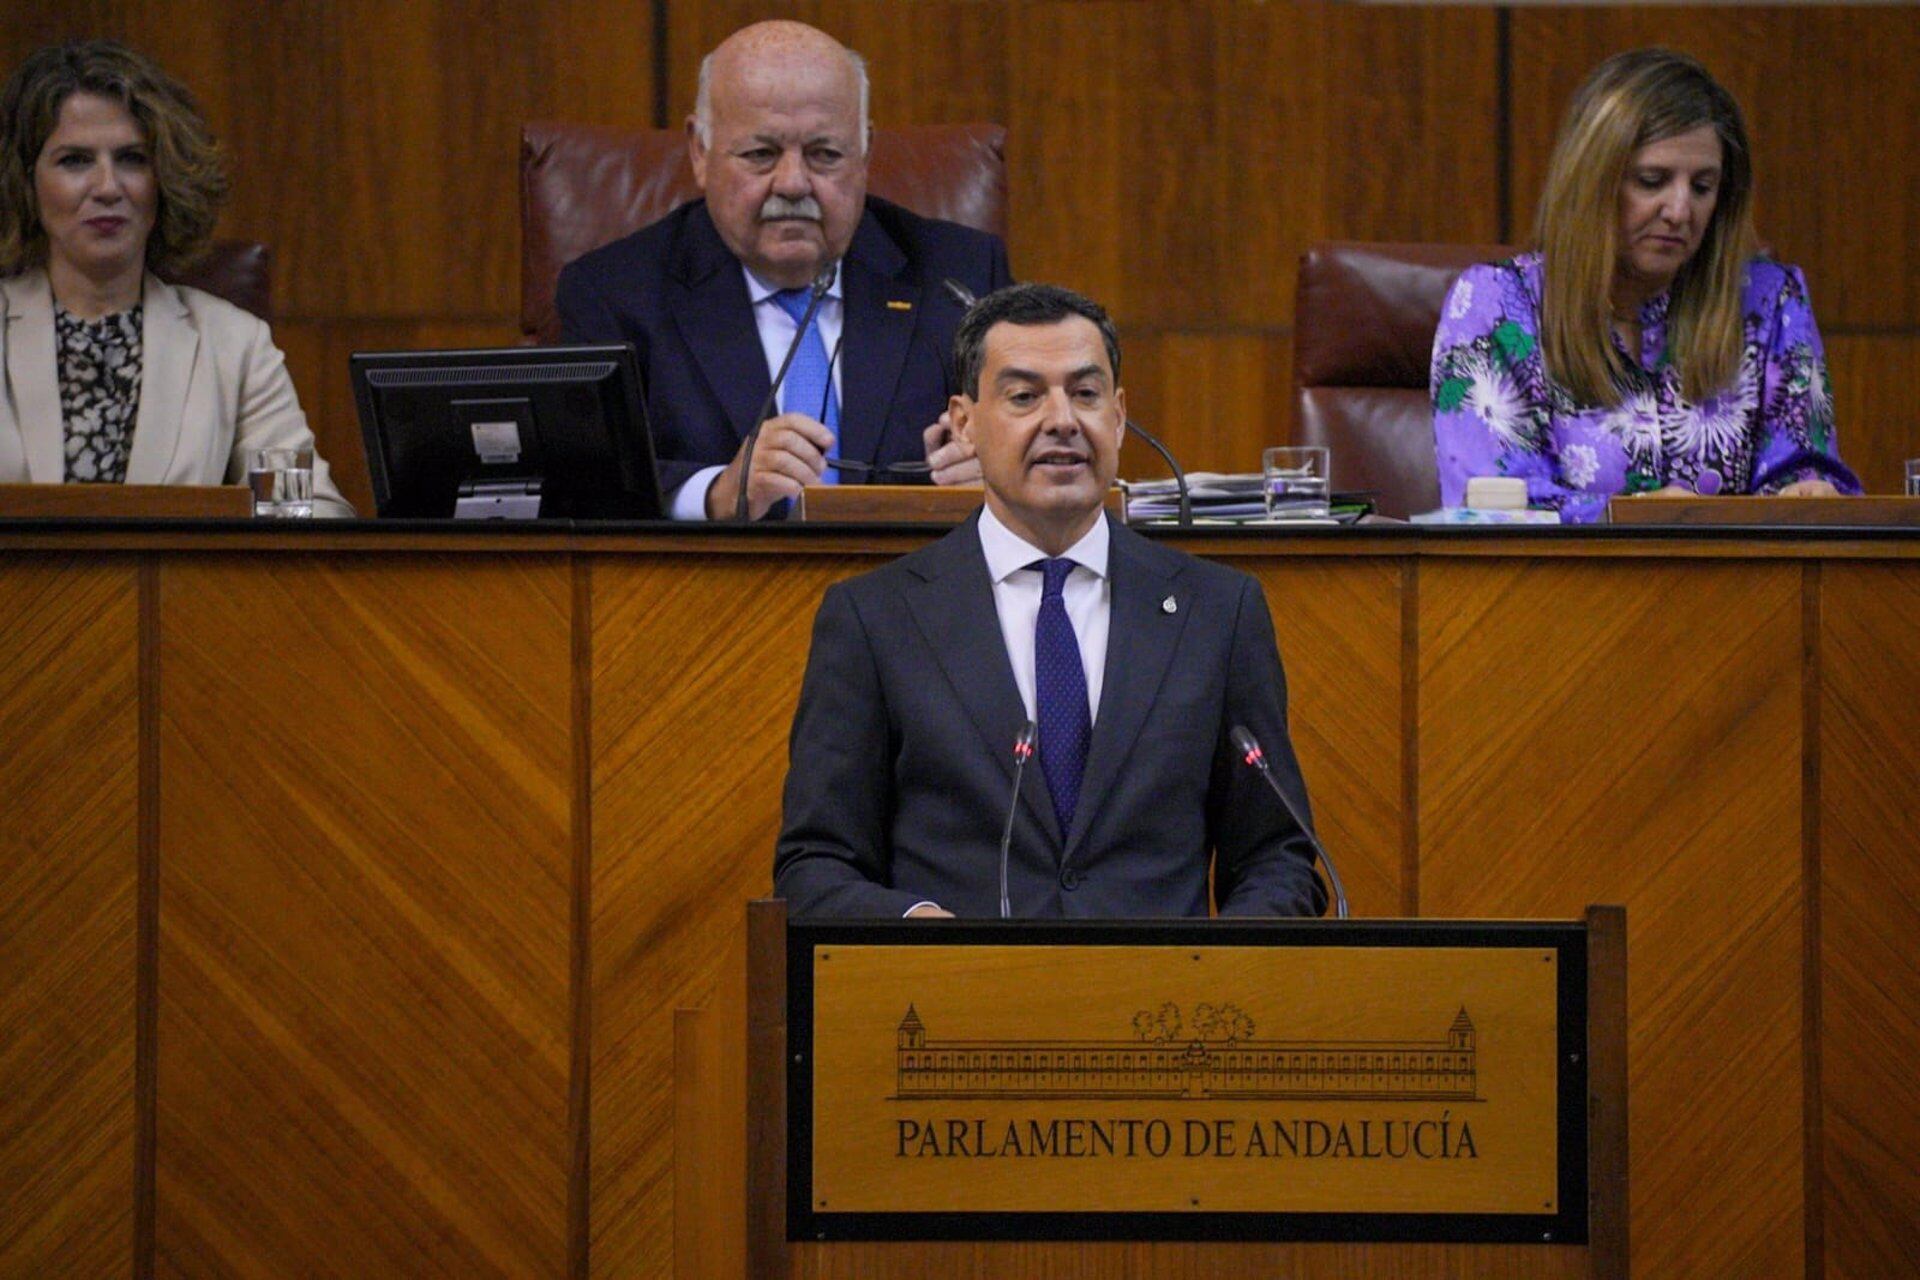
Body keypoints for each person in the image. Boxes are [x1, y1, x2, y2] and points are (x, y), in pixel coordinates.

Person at [775, 283, 1327, 919]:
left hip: (1164, 1006)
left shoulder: (1218, 613)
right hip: (959, 1004)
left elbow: (1276, 855)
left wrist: (1224, 965)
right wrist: (913, 933)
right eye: (1024, 396)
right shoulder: (875, 620)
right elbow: (813, 868)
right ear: (964, 423)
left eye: (1085, 394)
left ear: (1117, 417)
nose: (1062, 419)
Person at [555, 21, 1012, 520]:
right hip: (707, 592)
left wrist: (999, 470)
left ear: (864, 154)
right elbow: (577, 481)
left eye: (824, 155)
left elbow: (1039, 444)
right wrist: (714, 494)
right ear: (700, 152)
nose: (793, 183)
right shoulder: (613, 294)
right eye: (760, 154)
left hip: (914, 588)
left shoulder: (961, 279)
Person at [1430, 48, 1857, 523]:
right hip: (1552, 593)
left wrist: (1811, 492)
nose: (1679, 211)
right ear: (1593, 184)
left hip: (1737, 591)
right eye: (1652, 181)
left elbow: (1803, 472)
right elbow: (1494, 511)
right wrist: (1630, 517)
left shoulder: (1768, 300)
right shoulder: (1495, 306)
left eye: (1702, 187)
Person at [0, 41, 351, 514]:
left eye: (132, 159)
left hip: (176, 591)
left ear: (163, 179)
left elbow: (306, 512)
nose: (108, 187)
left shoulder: (231, 345)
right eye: (75, 160)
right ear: (26, 182)